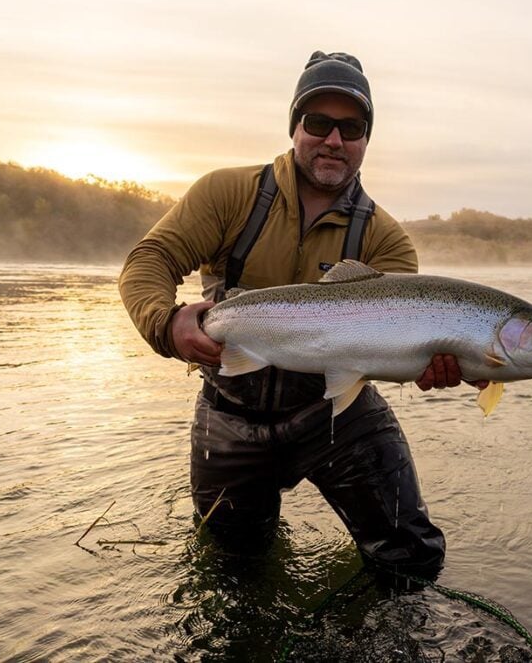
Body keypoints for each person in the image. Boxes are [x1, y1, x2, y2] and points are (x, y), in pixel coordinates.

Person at [119, 51, 473, 579]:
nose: (334, 139)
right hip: (230, 413)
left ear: (365, 140)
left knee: (411, 557)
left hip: (337, 414)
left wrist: (432, 364)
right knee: (232, 566)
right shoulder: (228, 193)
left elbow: (393, 349)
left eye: (351, 127)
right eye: (319, 122)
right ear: (295, 127)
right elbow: (149, 260)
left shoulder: (386, 239)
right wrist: (166, 323)